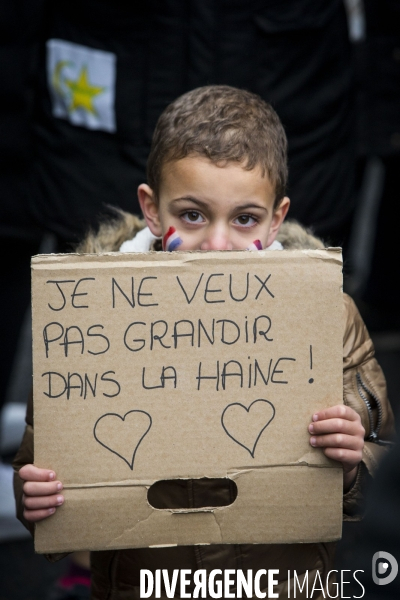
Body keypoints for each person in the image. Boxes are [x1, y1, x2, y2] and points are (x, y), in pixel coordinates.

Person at [14, 86, 394, 599]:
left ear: (276, 219)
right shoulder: (91, 326)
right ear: (152, 210)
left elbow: (379, 467)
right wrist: (34, 497)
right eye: (192, 215)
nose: (217, 244)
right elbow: (42, 468)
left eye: (244, 219)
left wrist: (351, 461)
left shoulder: (325, 316)